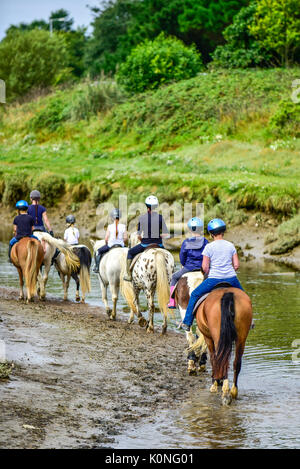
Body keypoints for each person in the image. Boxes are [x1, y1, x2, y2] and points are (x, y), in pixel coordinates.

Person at [180, 218, 244, 331]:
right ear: (223, 232)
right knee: (244, 297)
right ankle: (250, 320)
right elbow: (237, 265)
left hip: (214, 279)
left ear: (211, 234)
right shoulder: (231, 245)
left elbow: (205, 267)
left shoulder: (208, 247)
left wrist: (209, 272)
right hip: (231, 279)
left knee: (194, 294)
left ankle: (187, 322)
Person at [123, 195, 169, 281]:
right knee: (168, 257)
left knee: (130, 252)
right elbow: (166, 234)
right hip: (158, 244)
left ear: (146, 206)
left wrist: (142, 240)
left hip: (145, 244)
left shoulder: (142, 218)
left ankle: (128, 275)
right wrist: (160, 236)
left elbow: (139, 235)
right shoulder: (160, 217)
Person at [167, 217, 209, 309]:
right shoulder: (206, 241)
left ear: (190, 229)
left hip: (189, 267)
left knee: (174, 277)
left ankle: (172, 302)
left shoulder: (186, 242)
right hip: (203, 269)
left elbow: (182, 256)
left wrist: (184, 265)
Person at [93, 208, 128, 273]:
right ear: (120, 217)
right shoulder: (123, 226)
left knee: (98, 252)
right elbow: (126, 238)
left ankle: (97, 267)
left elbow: (106, 238)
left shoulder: (110, 226)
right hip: (121, 245)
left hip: (111, 245)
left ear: (112, 217)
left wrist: (107, 243)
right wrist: (121, 242)